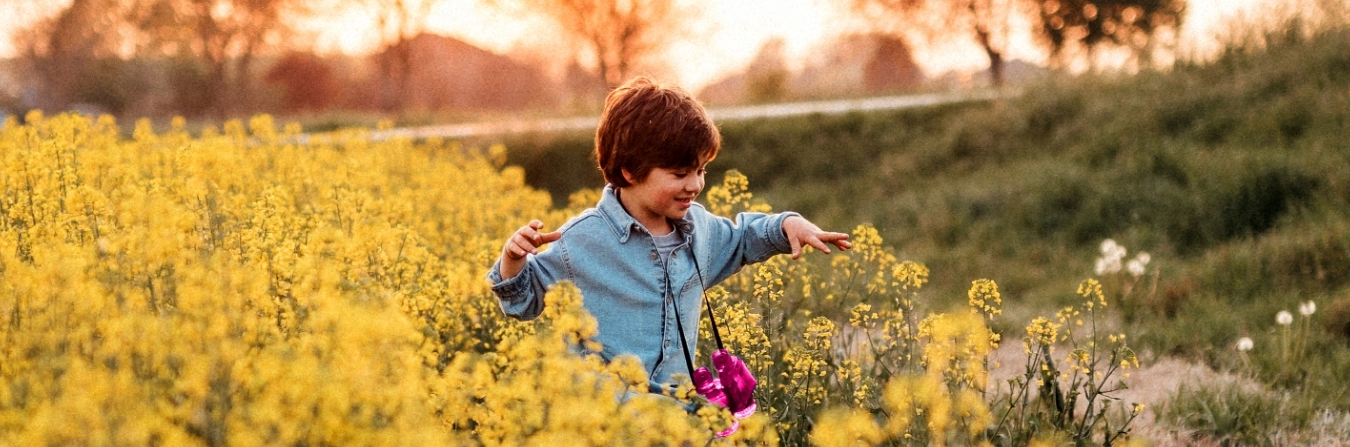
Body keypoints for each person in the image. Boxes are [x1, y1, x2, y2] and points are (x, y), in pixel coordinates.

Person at [487, 76, 852, 395]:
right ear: (630, 171)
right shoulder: (582, 240)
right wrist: (513, 259)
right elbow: (522, 303)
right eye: (679, 174)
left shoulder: (700, 230)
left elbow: (742, 239)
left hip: (678, 413)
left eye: (701, 170)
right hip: (607, 419)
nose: (695, 185)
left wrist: (786, 225)